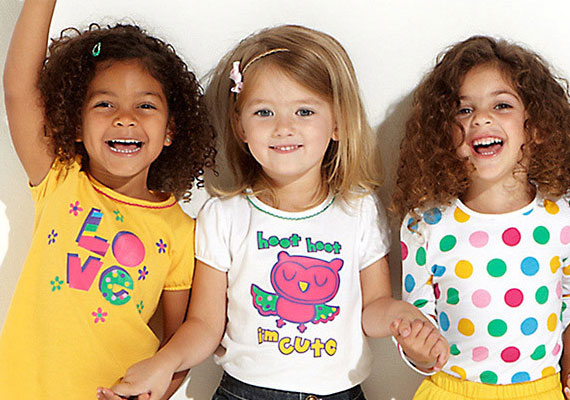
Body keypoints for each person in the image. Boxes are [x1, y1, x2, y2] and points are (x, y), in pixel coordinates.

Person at [98, 24, 448, 400]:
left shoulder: (359, 209)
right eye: (264, 112)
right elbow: (204, 325)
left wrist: (401, 318)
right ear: (240, 126)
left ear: (337, 123)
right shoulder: (224, 216)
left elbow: (374, 307)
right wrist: (163, 363)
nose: (284, 127)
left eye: (304, 111)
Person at [0, 0, 215, 398]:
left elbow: (176, 349)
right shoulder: (60, 180)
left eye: (145, 105)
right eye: (104, 104)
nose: (125, 117)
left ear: (171, 130)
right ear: (75, 125)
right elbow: (18, 88)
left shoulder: (182, 232)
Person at [393, 35, 570, 400]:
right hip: (450, 391)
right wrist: (418, 349)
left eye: (502, 105)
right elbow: (417, 325)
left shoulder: (561, 217)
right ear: (444, 132)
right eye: (463, 110)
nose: (481, 118)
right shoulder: (424, 224)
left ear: (534, 126)